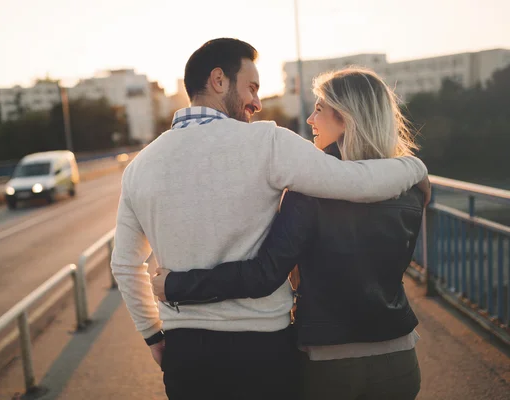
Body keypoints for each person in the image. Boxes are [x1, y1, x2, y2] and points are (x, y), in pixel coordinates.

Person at [111, 38, 429, 400]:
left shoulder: (139, 168)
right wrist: (413, 166)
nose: (258, 103)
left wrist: (153, 334)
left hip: (186, 351)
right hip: (264, 348)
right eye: (252, 88)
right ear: (219, 80)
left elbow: (124, 264)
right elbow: (357, 181)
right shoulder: (269, 142)